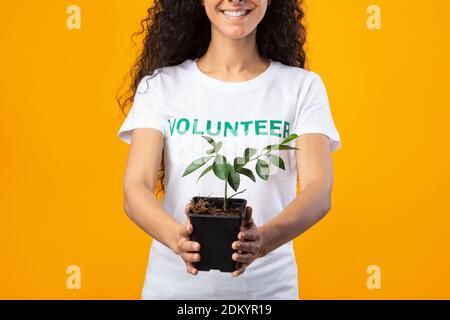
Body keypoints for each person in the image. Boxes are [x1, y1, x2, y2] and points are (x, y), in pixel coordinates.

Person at [117, 0, 341, 299]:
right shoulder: (161, 86)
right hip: (173, 291)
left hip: (267, 294)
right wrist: (176, 237)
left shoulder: (301, 88)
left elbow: (318, 189)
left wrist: (262, 241)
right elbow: (136, 186)